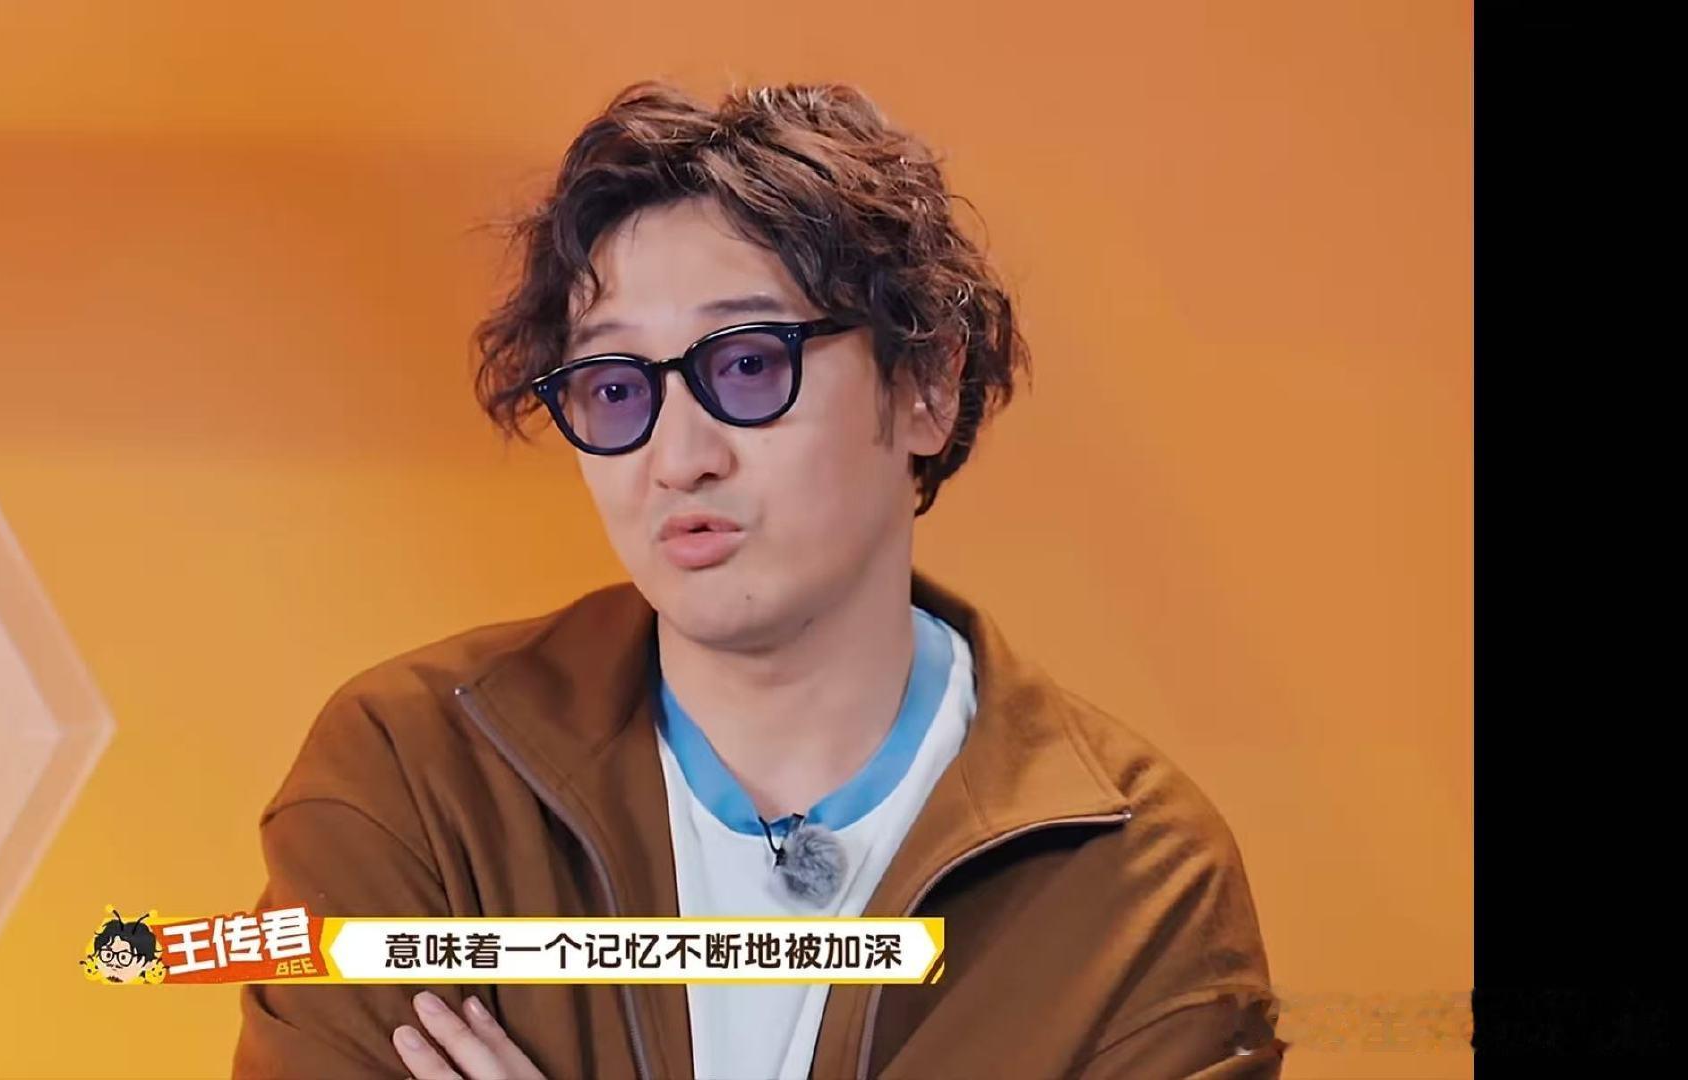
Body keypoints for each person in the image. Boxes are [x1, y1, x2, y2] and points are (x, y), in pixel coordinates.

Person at [232, 80, 1281, 1079]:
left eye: (745, 364)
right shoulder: (416, 776)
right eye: (615, 387)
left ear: (925, 382)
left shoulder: (1141, 883)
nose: (678, 458)